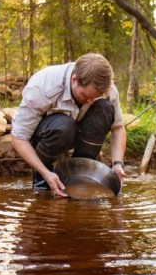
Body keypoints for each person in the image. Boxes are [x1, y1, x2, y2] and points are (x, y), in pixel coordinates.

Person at [11, 53, 127, 197]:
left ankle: (82, 172)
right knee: (64, 126)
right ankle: (42, 180)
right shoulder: (43, 87)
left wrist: (117, 164)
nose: (91, 102)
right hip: (48, 133)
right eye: (85, 96)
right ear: (74, 80)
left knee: (104, 108)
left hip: (79, 129)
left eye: (95, 97)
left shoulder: (107, 89)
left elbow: (118, 129)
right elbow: (18, 137)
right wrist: (46, 173)